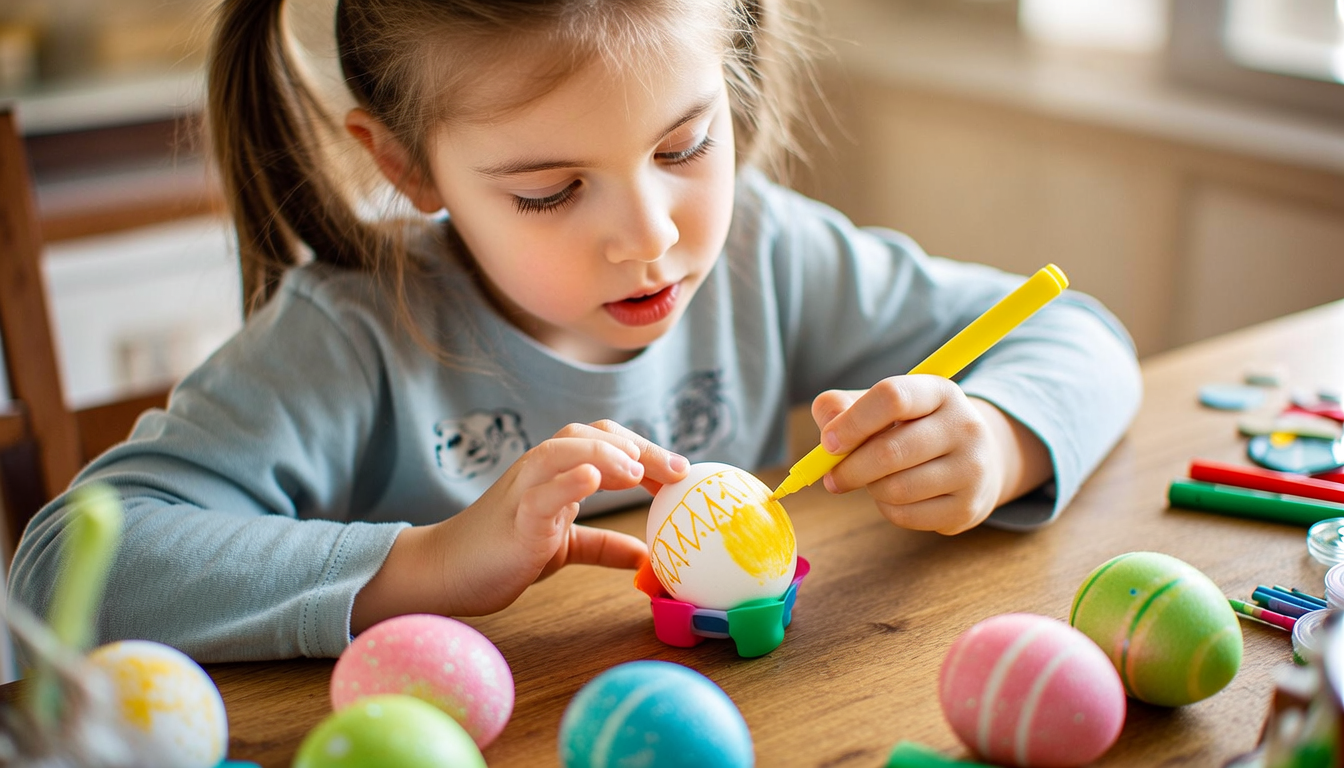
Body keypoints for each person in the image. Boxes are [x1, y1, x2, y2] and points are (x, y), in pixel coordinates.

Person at [9, 0, 1141, 662]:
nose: (649, 240)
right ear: (405, 164)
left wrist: (998, 436)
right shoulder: (351, 334)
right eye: (551, 192)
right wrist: (430, 561)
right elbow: (67, 565)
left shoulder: (772, 255)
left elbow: (1079, 333)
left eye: (686, 146)